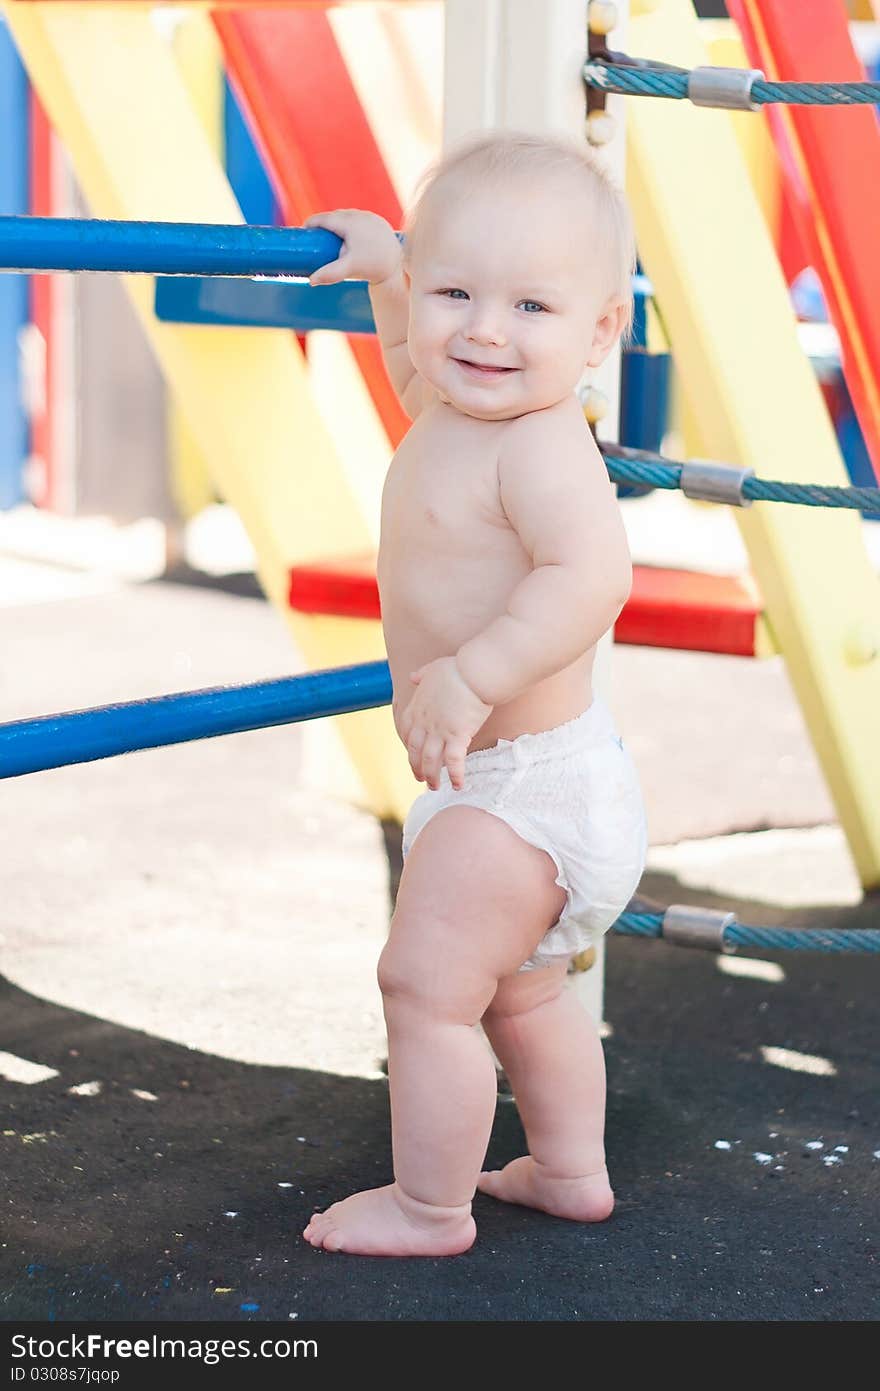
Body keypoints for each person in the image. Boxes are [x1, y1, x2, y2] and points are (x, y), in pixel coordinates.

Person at [301, 130, 648, 1256]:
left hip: (523, 788)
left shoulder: (541, 447)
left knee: (423, 982)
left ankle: (428, 1206)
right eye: (456, 290)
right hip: (529, 790)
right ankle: (567, 1169)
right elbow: (412, 354)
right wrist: (387, 269)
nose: (483, 329)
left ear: (601, 332)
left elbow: (592, 575)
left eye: (531, 308)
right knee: (524, 993)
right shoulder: (452, 407)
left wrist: (472, 672)